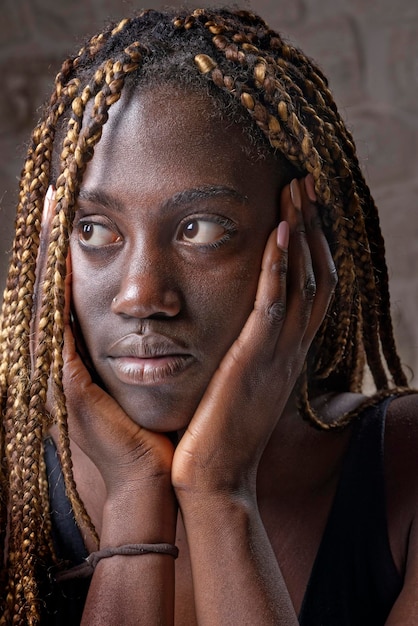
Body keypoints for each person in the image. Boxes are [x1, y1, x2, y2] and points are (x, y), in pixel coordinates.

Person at [0, 6, 417, 625]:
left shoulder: (406, 469)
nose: (140, 296)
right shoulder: (12, 476)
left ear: (306, 243)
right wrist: (135, 492)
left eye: (201, 229)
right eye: (93, 229)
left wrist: (220, 491)